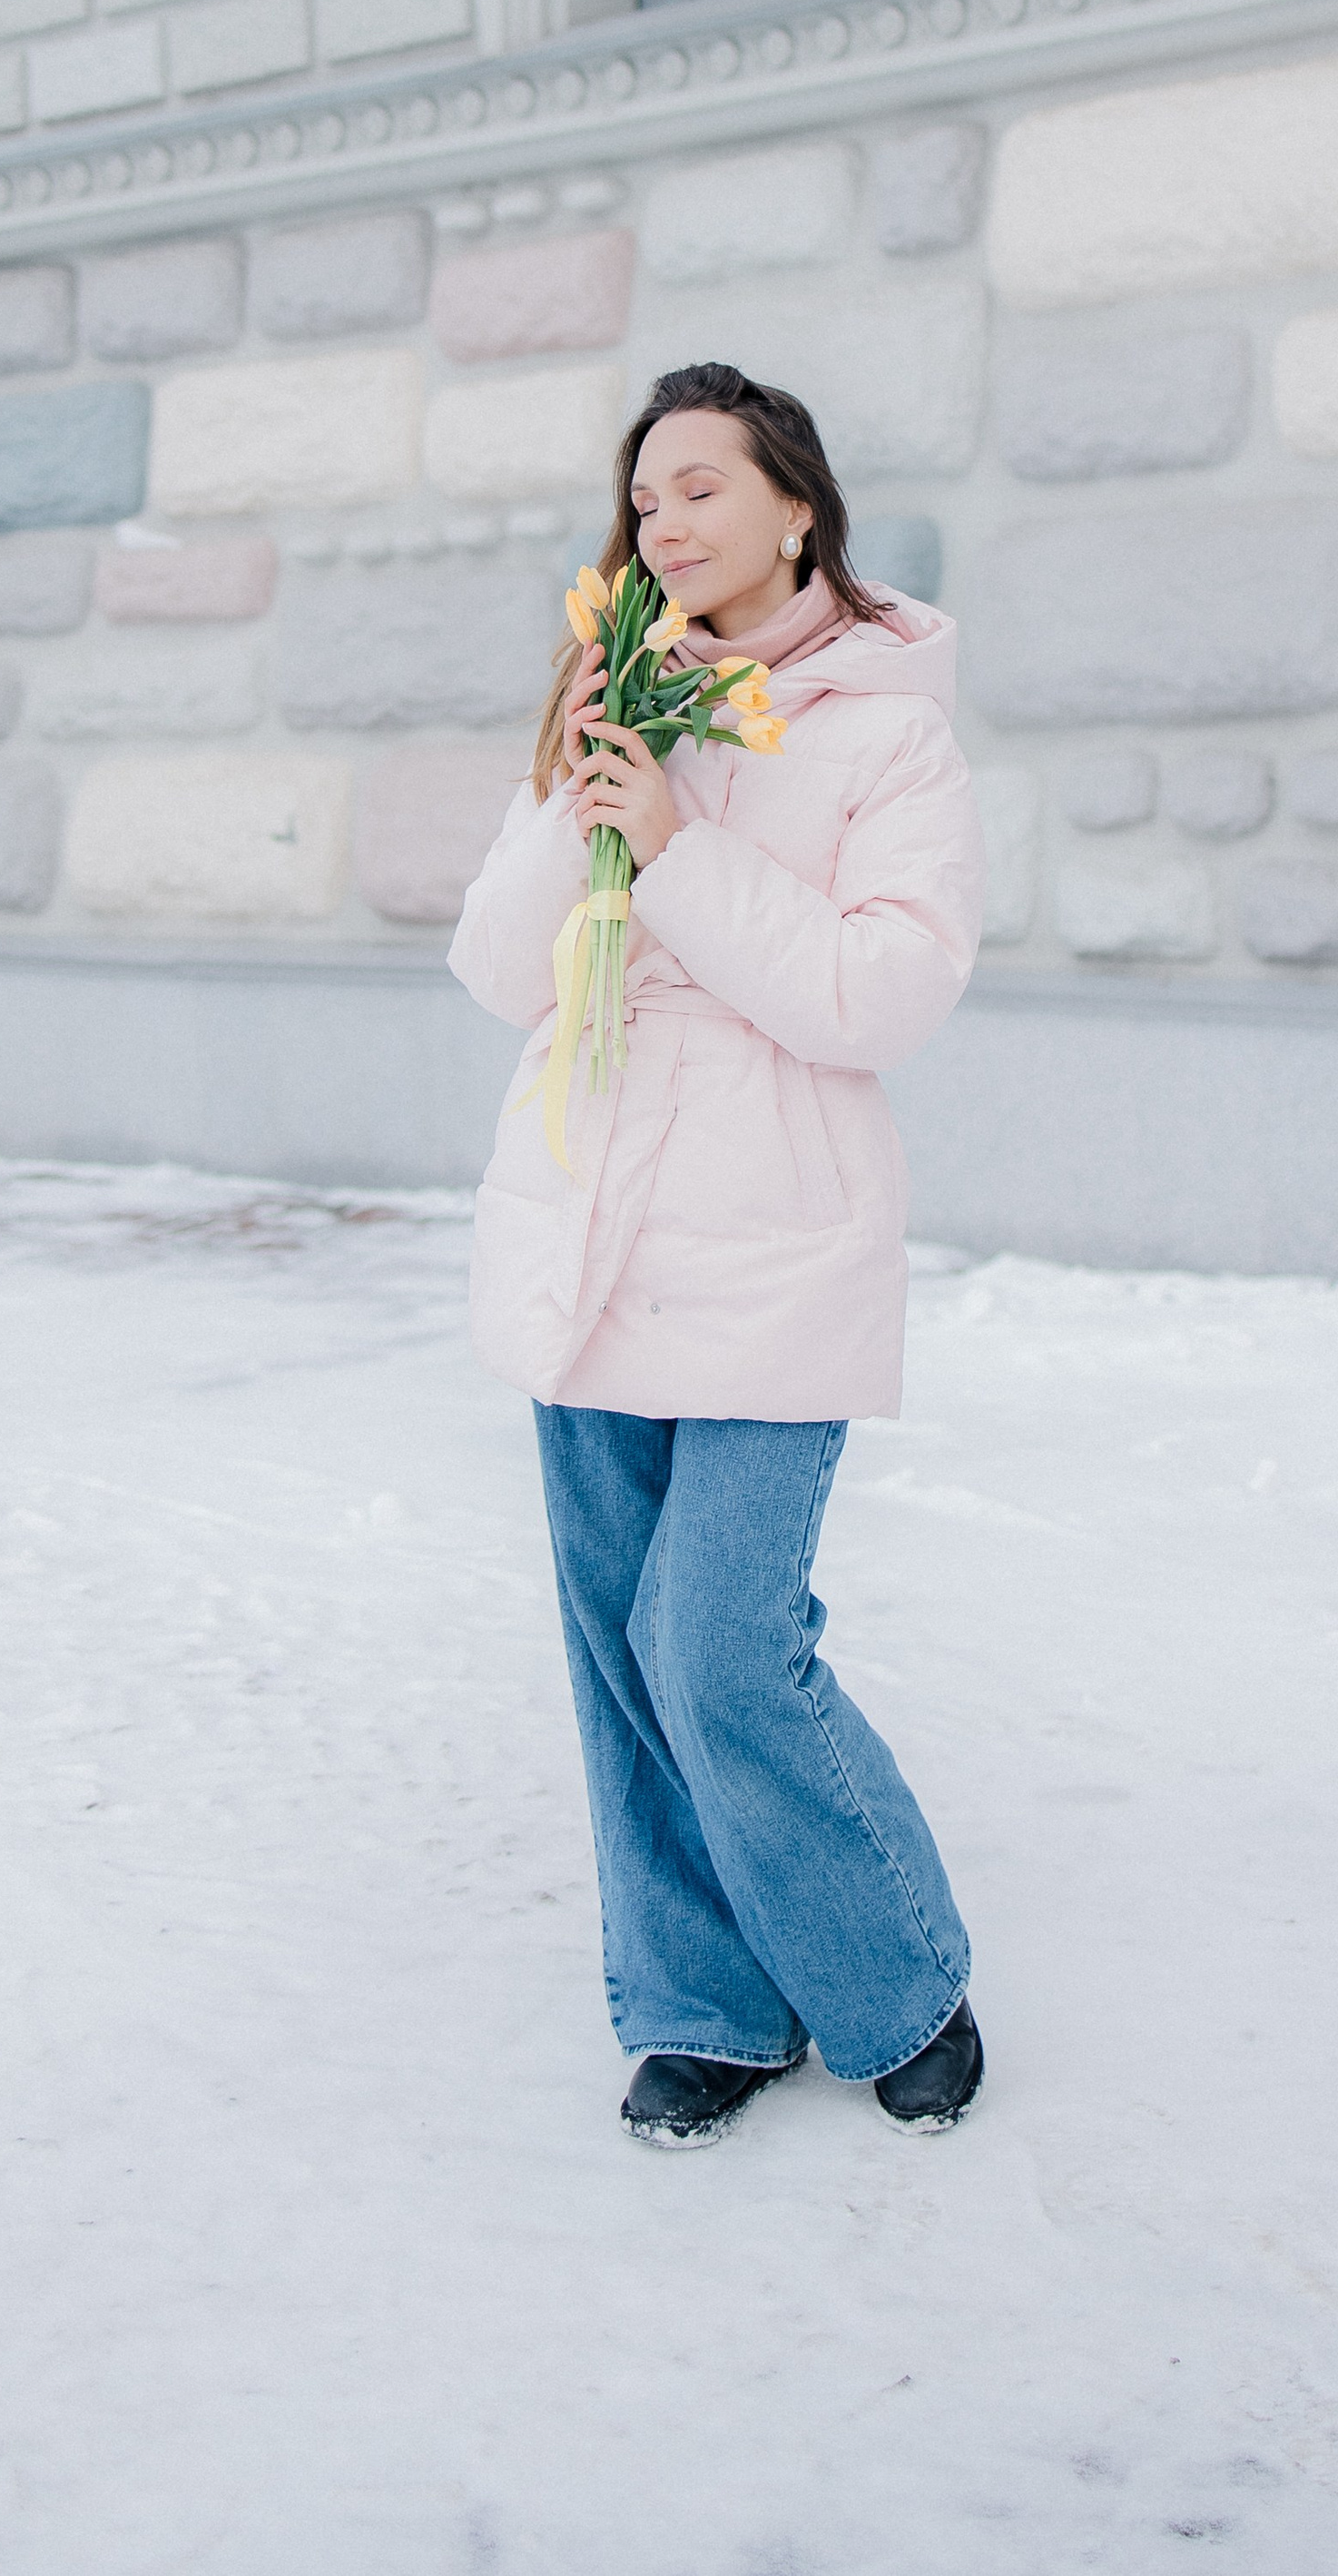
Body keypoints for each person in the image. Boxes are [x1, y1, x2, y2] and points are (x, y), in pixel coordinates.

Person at [448, 360, 987, 2149]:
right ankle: (700, 2005)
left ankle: (894, 1979)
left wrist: (676, 848)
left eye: (697, 488)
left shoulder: (884, 735)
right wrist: (586, 783)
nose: (662, 521)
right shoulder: (616, 698)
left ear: (795, 509)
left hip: (771, 1254)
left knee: (718, 1646)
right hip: (587, 1234)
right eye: (642, 501)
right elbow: (493, 975)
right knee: (619, 1650)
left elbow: (873, 994)